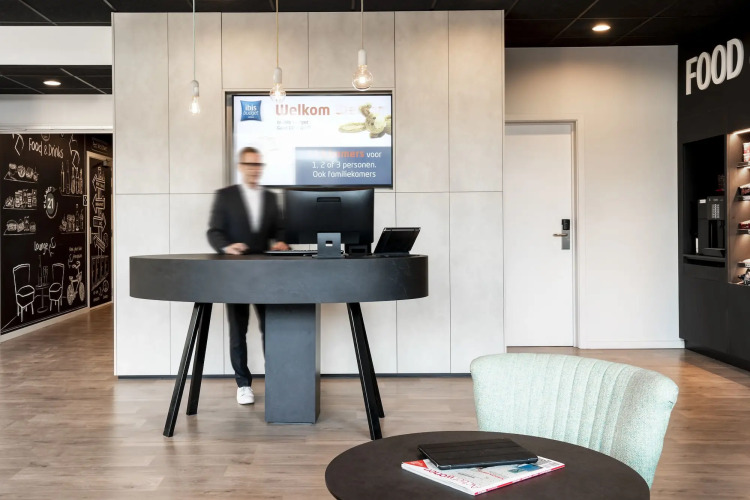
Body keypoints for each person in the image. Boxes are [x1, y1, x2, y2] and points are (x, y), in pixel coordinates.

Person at [207, 146, 289, 405]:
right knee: (238, 330)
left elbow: (280, 230)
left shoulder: (270, 198)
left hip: (266, 273)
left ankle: (275, 380)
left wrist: (282, 242)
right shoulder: (225, 196)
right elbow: (214, 231)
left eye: (258, 165)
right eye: (250, 164)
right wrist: (226, 247)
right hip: (236, 273)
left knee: (270, 329)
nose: (255, 169)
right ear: (240, 166)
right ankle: (243, 384)